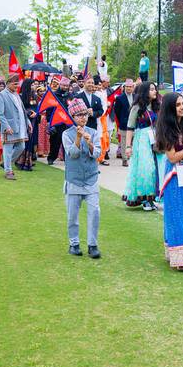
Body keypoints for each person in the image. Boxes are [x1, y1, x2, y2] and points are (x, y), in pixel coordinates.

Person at [154, 92, 183, 269]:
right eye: (178, 105)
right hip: (175, 172)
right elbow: (172, 157)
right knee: (177, 212)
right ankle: (180, 255)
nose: (182, 107)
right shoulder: (166, 129)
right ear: (170, 109)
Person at [62, 99, 102, 258]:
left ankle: (92, 245)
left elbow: (98, 154)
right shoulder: (66, 134)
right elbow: (72, 154)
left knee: (95, 212)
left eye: (84, 114)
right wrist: (78, 138)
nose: (83, 118)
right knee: (73, 215)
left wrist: (89, 142)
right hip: (73, 179)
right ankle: (74, 244)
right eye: (79, 115)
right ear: (73, 116)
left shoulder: (93, 132)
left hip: (91, 178)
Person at [123, 81, 161, 210]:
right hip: (142, 140)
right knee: (146, 168)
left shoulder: (156, 107)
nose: (154, 91)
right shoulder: (137, 107)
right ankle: (145, 198)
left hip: (154, 139)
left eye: (155, 89)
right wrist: (128, 146)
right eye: (151, 89)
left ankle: (152, 198)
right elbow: (130, 127)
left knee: (156, 168)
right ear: (145, 92)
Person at [0, 74, 30, 180]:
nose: (17, 86)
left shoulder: (16, 94)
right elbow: (0, 114)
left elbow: (22, 111)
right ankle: (8, 171)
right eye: (15, 84)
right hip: (9, 128)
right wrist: (6, 126)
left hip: (20, 126)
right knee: (7, 149)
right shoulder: (2, 95)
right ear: (8, 83)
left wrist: (28, 122)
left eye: (18, 84)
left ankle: (7, 163)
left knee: (22, 147)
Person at [46, 77, 71, 165]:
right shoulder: (54, 95)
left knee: (67, 142)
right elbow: (49, 109)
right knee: (55, 142)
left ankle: (66, 159)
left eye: (66, 86)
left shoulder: (70, 96)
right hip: (56, 122)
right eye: (63, 85)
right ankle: (51, 157)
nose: (65, 87)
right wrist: (49, 122)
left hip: (67, 123)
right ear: (60, 85)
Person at [113, 79, 134, 165]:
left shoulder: (136, 96)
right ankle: (124, 159)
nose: (129, 88)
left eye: (130, 87)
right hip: (124, 123)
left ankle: (131, 156)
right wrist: (122, 119)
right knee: (124, 141)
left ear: (133, 87)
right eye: (127, 87)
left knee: (133, 141)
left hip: (134, 124)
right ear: (125, 87)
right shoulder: (119, 98)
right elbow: (117, 111)